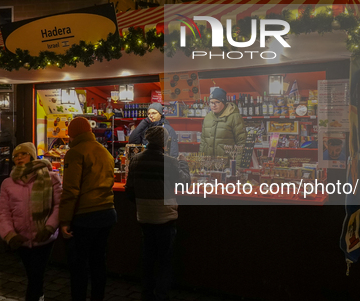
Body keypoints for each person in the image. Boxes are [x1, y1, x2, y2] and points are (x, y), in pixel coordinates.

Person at [125, 127, 190, 301]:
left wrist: (143, 203)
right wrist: (183, 162)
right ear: (164, 142)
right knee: (164, 261)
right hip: (165, 217)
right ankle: (161, 295)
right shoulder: (170, 162)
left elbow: (129, 191)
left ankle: (146, 294)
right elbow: (185, 183)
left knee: (147, 259)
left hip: (144, 216)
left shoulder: (135, 160)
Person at [59, 117, 116, 301]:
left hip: (85, 215)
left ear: (73, 134)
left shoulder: (75, 153)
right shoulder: (105, 152)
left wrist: (65, 221)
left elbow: (71, 190)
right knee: (99, 262)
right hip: (107, 212)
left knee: (79, 266)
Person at [0, 142, 62, 301]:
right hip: (22, 238)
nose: (19, 158)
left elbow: (59, 206)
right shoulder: (7, 183)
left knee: (35, 275)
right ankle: (40, 296)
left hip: (44, 237)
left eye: (23, 154)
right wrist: (9, 235)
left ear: (32, 156)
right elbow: (3, 212)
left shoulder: (51, 177)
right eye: (16, 156)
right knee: (33, 275)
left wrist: (49, 228)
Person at [199, 88, 246, 164]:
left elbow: (242, 143)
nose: (213, 105)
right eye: (211, 102)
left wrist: (236, 166)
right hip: (208, 165)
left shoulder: (234, 117)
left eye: (217, 102)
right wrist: (201, 162)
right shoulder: (207, 117)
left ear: (223, 102)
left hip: (227, 166)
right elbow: (203, 142)